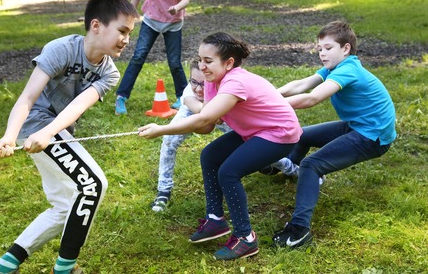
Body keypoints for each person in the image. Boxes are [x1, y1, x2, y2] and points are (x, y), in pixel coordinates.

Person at [0, 0, 139, 274]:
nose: (127, 39)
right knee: (92, 186)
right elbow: (27, 98)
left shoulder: (110, 73)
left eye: (129, 33)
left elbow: (78, 106)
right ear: (96, 25)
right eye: (122, 30)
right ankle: (64, 268)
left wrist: (50, 133)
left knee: (65, 205)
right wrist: (9, 135)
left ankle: (3, 266)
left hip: (53, 131)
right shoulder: (61, 49)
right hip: (34, 126)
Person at [139, 32, 303, 260]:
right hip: (255, 131)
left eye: (208, 61)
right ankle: (215, 219)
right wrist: (195, 114)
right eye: (199, 60)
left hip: (281, 133)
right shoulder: (212, 83)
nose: (202, 66)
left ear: (228, 63)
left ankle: (246, 238)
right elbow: (207, 124)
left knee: (229, 172)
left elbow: (204, 119)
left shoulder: (235, 81)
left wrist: (161, 129)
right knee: (210, 156)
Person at [272, 21, 396, 249]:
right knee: (302, 136)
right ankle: (290, 167)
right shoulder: (334, 68)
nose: (322, 53)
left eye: (328, 48)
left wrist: (267, 107)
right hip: (357, 125)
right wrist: (268, 96)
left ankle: (299, 232)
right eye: (319, 48)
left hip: (372, 136)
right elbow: (301, 84)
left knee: (312, 165)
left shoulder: (348, 69)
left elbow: (312, 98)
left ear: (346, 49)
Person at [115, 0, 190, 115]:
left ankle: (183, 98)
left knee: (175, 63)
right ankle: (121, 97)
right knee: (138, 56)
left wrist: (176, 7)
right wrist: (127, 18)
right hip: (151, 20)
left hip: (173, 22)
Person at [151, 60, 231, 212]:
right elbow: (201, 112)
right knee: (169, 139)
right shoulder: (190, 92)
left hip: (222, 110)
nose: (198, 89)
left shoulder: (225, 89)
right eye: (194, 82)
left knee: (250, 139)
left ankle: (286, 166)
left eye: (204, 84)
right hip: (199, 111)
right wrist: (216, 113)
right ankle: (164, 190)